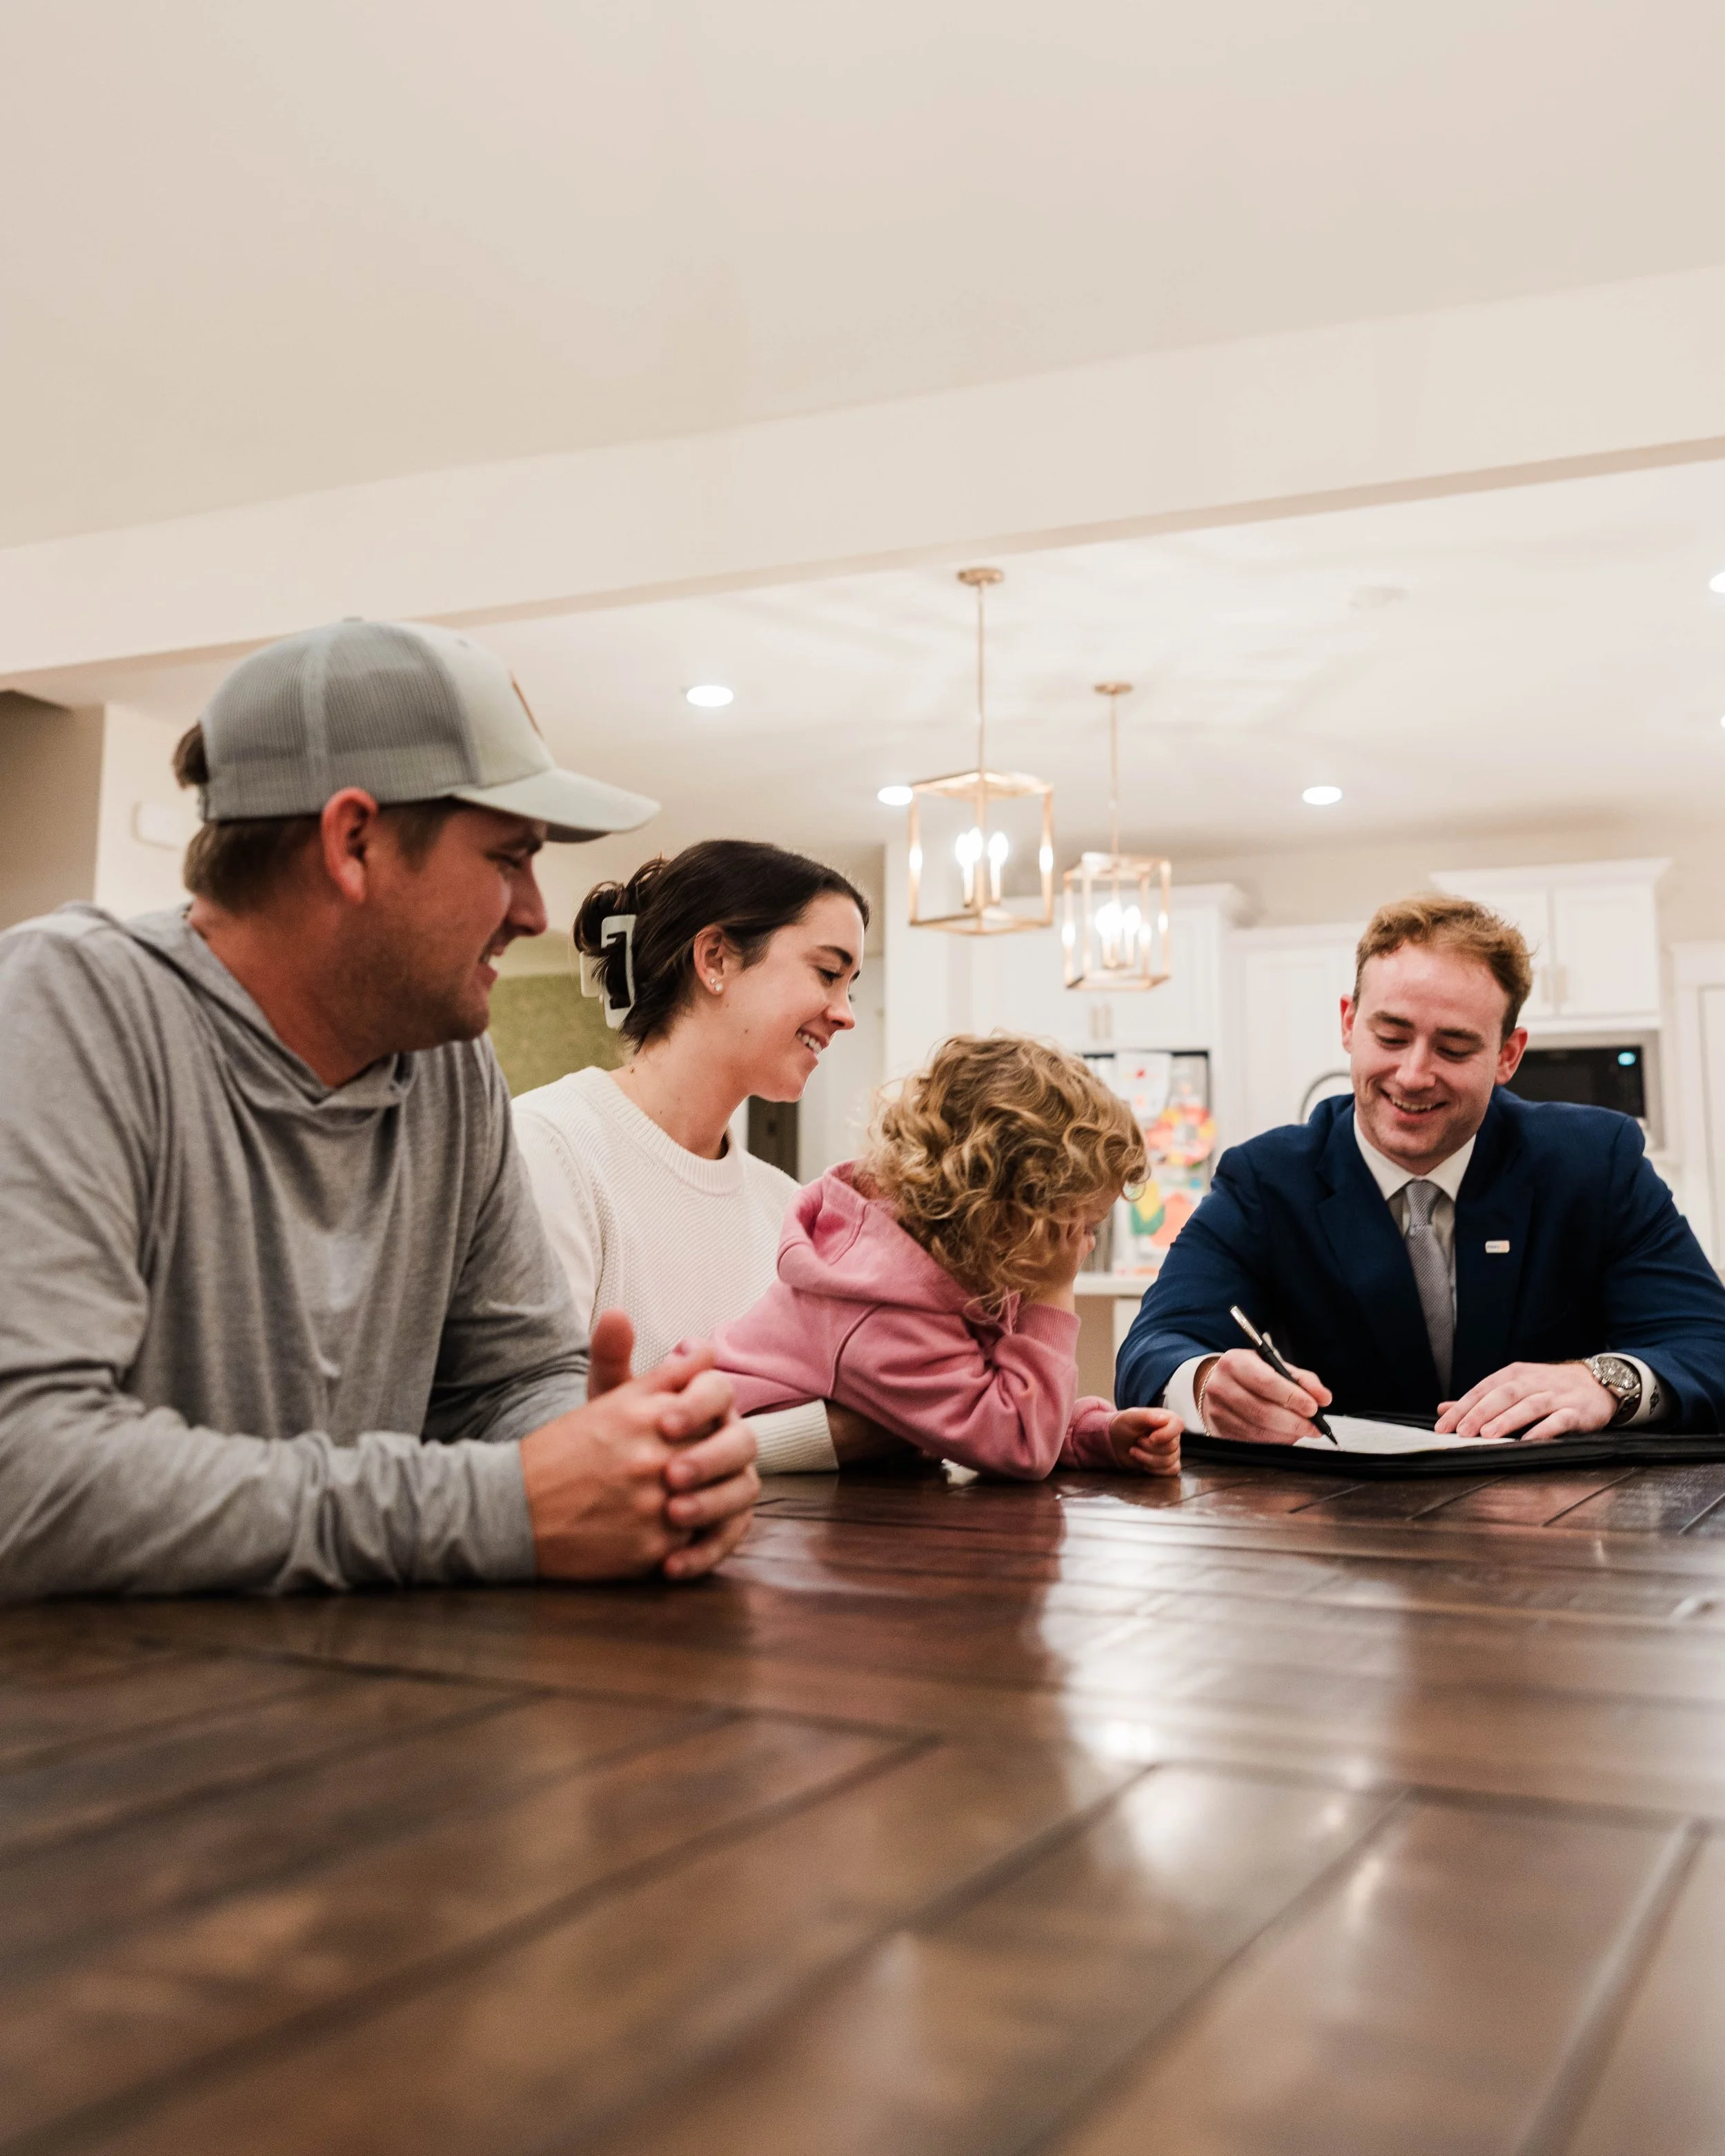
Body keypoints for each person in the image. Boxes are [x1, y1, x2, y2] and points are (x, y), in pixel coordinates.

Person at [0, 619, 759, 1599]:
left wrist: (636, 1461)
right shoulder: (68, 1005)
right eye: (507, 858)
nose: (535, 910)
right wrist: (505, 1508)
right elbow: (25, 1472)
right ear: (352, 842)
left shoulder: (451, 1068)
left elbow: (506, 1383)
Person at [1117, 894, 1725, 1443]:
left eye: (1455, 1047)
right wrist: (1204, 1384)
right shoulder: (1267, 1179)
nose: (1413, 1074)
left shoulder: (1595, 1161)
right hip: (1339, 1529)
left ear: (1507, 1055)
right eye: (1391, 1035)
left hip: (1561, 1524)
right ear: (1349, 1024)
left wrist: (1605, 1382)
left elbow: (1709, 1347)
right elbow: (1150, 1349)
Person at [513, 840, 885, 1474]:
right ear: (715, 959)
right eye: (828, 973)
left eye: (851, 985)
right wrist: (834, 1437)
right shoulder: (549, 1146)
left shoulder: (782, 1203)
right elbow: (557, 1450)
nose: (845, 1014)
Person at [711, 1034, 1185, 1478]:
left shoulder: (954, 1265)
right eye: (1081, 1226)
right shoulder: (883, 1305)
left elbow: (989, 1404)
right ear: (1012, 1214)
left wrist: (1094, 1434)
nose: (1088, 1244)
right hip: (723, 1484)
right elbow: (1018, 1443)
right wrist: (1054, 1289)